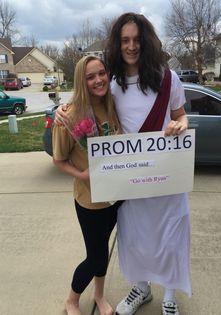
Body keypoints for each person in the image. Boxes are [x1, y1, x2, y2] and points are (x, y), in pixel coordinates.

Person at [55, 12, 191, 315]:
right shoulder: (113, 81)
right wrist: (60, 108)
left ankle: (169, 294)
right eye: (125, 40)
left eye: (137, 40)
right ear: (117, 43)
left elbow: (181, 114)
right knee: (137, 238)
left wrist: (181, 123)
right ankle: (141, 289)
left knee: (169, 234)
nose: (131, 46)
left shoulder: (169, 78)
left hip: (165, 175)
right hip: (130, 183)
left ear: (147, 41)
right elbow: (86, 99)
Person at [52, 55, 121, 315]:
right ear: (82, 80)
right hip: (89, 199)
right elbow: (59, 160)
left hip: (115, 196)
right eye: (90, 76)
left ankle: (100, 297)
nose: (98, 80)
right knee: (95, 257)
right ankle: (72, 300)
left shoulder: (112, 104)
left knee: (102, 251)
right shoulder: (68, 116)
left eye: (101, 73)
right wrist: (82, 175)